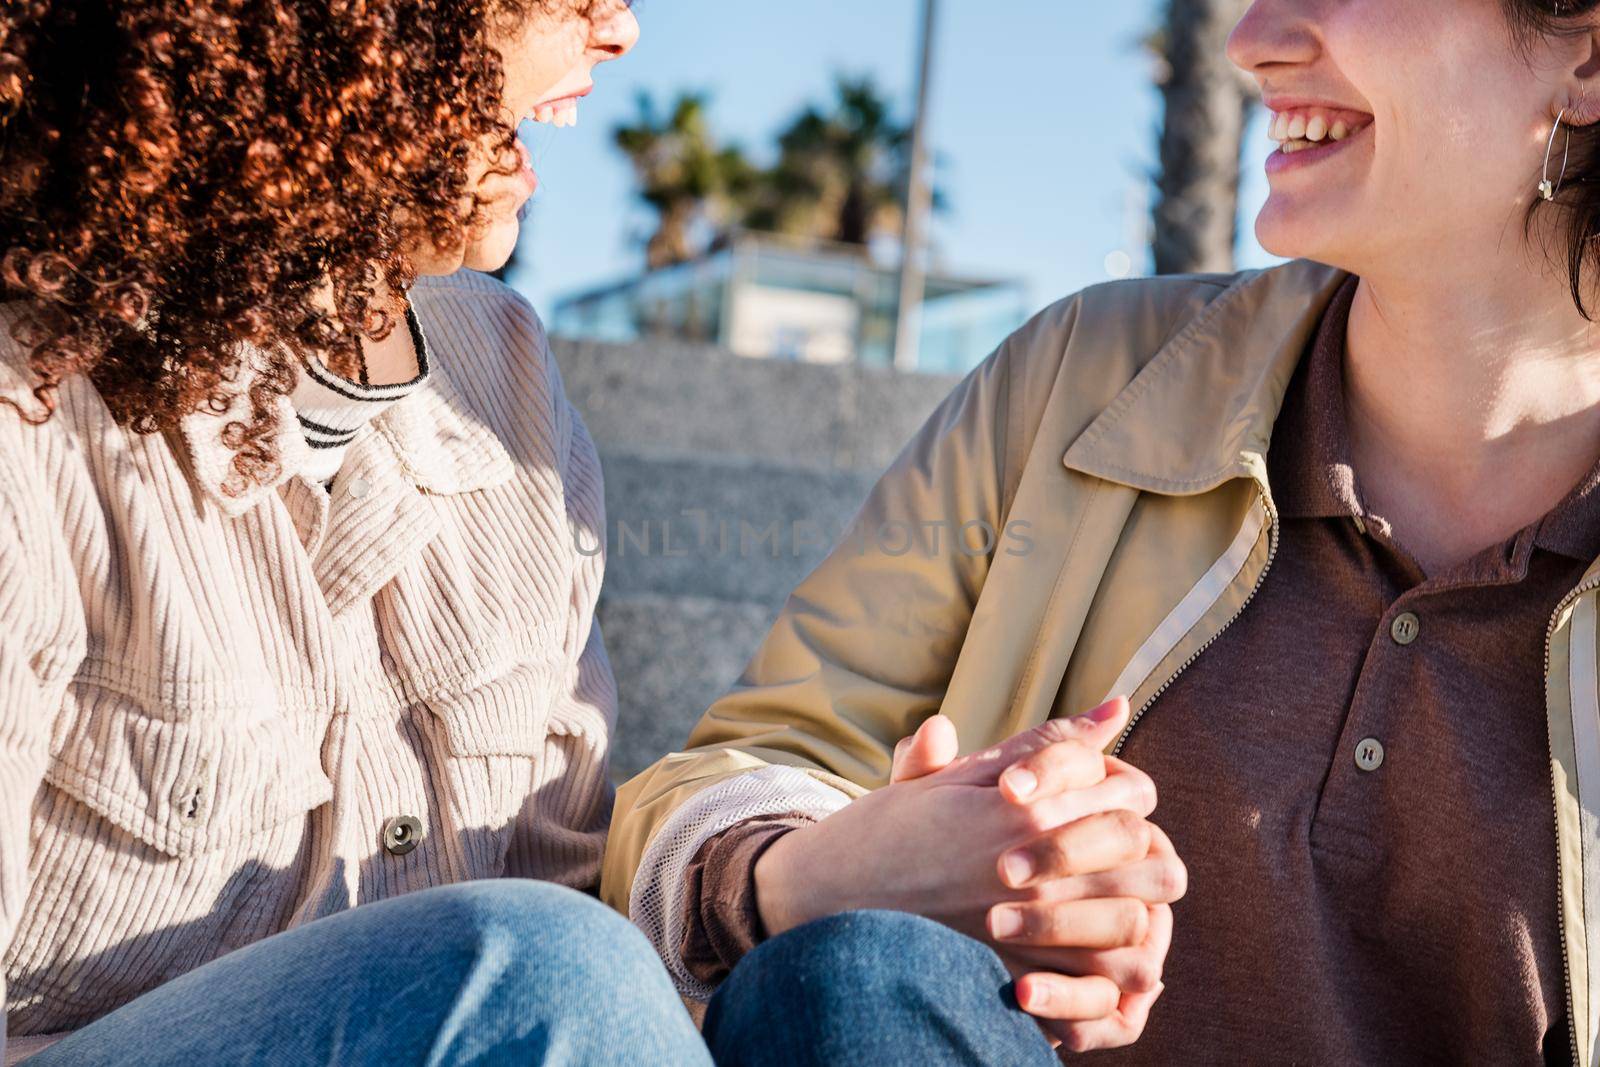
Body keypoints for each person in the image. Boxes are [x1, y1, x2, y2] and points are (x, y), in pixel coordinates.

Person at [604, 0, 1600, 1063]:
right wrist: (807, 869)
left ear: (1584, 53)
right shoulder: (1084, 375)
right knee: (855, 976)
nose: (1252, 38)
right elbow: (731, 769)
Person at [0, 2, 720, 1064]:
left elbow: (559, 879)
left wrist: (776, 865)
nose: (617, 30)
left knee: (856, 970)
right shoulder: (29, 401)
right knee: (549, 968)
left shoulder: (504, 367)